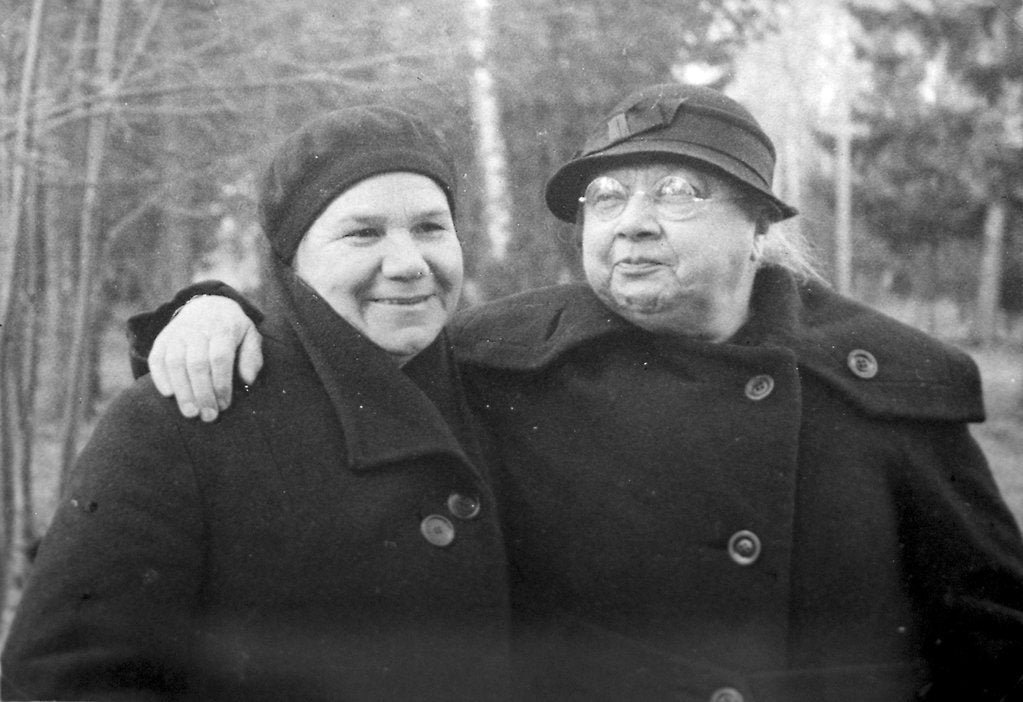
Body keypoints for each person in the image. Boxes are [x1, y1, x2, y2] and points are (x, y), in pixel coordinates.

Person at [107, 84, 1023, 701]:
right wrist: (214, 310)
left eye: (677, 193)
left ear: (759, 226)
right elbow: (337, 346)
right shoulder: (499, 360)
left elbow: (993, 639)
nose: (632, 224)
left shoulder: (888, 385)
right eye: (604, 200)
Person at [0, 106, 514, 701]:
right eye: (362, 233)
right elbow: (60, 682)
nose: (408, 264)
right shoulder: (178, 421)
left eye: (430, 227)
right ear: (292, 260)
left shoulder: (501, 392)